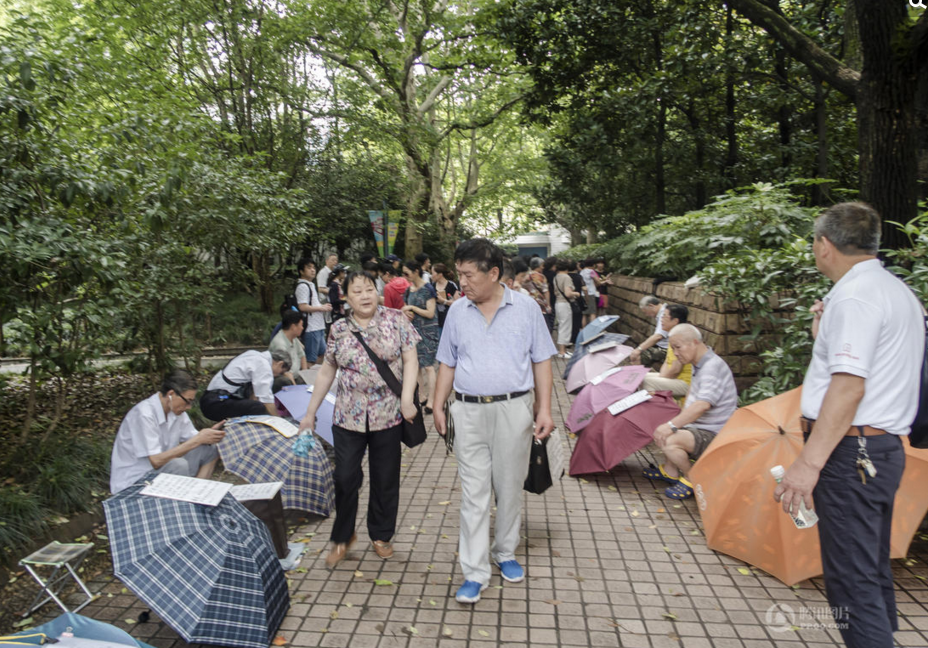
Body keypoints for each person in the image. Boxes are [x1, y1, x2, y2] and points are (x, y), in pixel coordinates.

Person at [773, 203, 923, 648]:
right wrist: (826, 338)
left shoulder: (855, 298)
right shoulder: (895, 291)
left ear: (824, 245)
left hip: (850, 454)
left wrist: (808, 464)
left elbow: (848, 389)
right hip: (879, 451)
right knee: (869, 569)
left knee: (851, 584)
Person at [432, 238, 557, 605]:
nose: (463, 283)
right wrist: (438, 404)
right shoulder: (457, 311)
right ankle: (474, 570)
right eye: (459, 275)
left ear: (494, 273)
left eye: (469, 275)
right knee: (474, 493)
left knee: (509, 485)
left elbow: (543, 361)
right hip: (467, 410)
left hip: (514, 409)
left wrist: (544, 409)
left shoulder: (526, 309)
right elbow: (447, 361)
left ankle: (505, 551)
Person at [298, 271, 419, 568]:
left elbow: (411, 359)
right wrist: (310, 413)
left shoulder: (396, 319)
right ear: (346, 297)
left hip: (388, 414)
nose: (364, 296)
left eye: (369, 289)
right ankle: (343, 536)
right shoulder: (338, 328)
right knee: (345, 477)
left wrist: (406, 398)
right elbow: (327, 370)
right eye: (357, 291)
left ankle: (381, 534)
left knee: (385, 478)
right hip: (347, 415)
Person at [644, 324, 737, 500]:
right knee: (664, 425)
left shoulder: (711, 367)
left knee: (668, 438)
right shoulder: (699, 363)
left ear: (695, 342)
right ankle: (671, 471)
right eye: (672, 348)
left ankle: (693, 478)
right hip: (699, 427)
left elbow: (702, 405)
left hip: (713, 434)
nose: (675, 353)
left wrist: (672, 425)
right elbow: (693, 398)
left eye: (678, 347)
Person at [110, 370, 225, 493]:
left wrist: (211, 435)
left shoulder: (176, 412)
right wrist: (198, 439)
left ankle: (197, 494)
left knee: (210, 449)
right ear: (171, 394)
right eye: (187, 401)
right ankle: (186, 501)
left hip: (161, 471)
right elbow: (156, 461)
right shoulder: (144, 414)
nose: (189, 407)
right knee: (179, 465)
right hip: (136, 479)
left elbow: (195, 439)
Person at [200, 349, 290, 421]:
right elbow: (266, 400)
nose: (278, 375)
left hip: (211, 398)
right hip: (216, 403)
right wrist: (279, 421)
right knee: (258, 408)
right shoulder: (263, 365)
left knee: (255, 405)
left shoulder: (253, 354)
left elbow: (256, 395)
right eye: (281, 372)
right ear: (280, 364)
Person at [401, 259, 439, 413]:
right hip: (412, 332)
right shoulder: (408, 290)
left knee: (429, 367)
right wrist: (407, 312)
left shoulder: (428, 289)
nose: (405, 276)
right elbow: (406, 310)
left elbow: (430, 313)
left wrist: (412, 308)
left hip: (428, 332)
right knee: (415, 366)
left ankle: (432, 400)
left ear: (416, 271)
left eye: (407, 273)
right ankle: (421, 396)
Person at [640, 305, 692, 398]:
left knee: (645, 382)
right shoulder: (673, 335)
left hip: (685, 382)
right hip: (675, 378)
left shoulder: (681, 337)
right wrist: (661, 377)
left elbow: (676, 369)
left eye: (664, 316)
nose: (661, 319)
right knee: (639, 377)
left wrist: (662, 378)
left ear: (675, 321)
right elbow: (667, 362)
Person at [295, 257, 332, 364]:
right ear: (301, 271)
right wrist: (321, 308)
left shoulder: (310, 284)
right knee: (311, 358)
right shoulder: (303, 286)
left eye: (314, 267)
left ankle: (313, 376)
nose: (312, 270)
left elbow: (311, 304)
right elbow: (302, 306)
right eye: (309, 268)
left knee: (322, 354)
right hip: (311, 328)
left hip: (318, 326)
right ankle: (306, 377)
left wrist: (322, 306)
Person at [269, 310, 308, 390]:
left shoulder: (293, 338)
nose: (302, 328)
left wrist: (306, 375)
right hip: (283, 377)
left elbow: (302, 356)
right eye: (301, 325)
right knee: (286, 381)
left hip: (296, 376)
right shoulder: (280, 344)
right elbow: (285, 372)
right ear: (293, 327)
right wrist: (295, 388)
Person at [629, 296, 669, 367]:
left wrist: (639, 349)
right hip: (660, 345)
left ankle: (637, 376)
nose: (646, 315)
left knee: (638, 357)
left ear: (651, 306)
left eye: (645, 312)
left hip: (666, 348)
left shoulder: (664, 314)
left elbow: (658, 336)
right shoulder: (663, 311)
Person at [553, 258, 580, 358]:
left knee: (562, 326)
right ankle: (562, 352)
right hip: (565, 304)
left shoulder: (556, 277)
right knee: (565, 327)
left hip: (558, 303)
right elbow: (568, 293)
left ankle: (562, 350)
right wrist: (577, 293)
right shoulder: (566, 277)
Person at [527, 257, 553, 331]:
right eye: (542, 265)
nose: (543, 267)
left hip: (530, 301)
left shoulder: (526, 276)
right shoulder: (541, 277)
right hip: (541, 303)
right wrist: (548, 305)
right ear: (538, 266)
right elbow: (546, 291)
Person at [432, 263, 459, 331]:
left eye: (433, 273)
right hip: (436, 322)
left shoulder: (452, 285)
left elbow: (458, 303)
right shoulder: (432, 286)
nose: (431, 276)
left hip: (450, 321)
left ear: (440, 275)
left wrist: (443, 301)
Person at [567, 260, 586, 345]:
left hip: (566, 301)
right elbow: (585, 289)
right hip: (577, 300)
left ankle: (567, 339)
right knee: (577, 320)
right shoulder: (579, 277)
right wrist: (587, 299)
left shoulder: (565, 276)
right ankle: (574, 339)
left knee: (567, 320)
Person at [317, 252, 338, 326]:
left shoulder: (334, 273)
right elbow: (320, 289)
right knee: (326, 322)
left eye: (336, 260)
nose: (335, 262)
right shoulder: (323, 272)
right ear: (326, 261)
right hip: (324, 301)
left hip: (332, 301)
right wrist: (333, 293)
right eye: (332, 260)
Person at [579, 260, 598, 326]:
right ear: (593, 265)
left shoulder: (581, 272)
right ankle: (592, 331)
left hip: (582, 294)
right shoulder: (591, 271)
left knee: (583, 314)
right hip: (590, 294)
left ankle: (583, 330)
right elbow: (598, 281)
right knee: (592, 313)